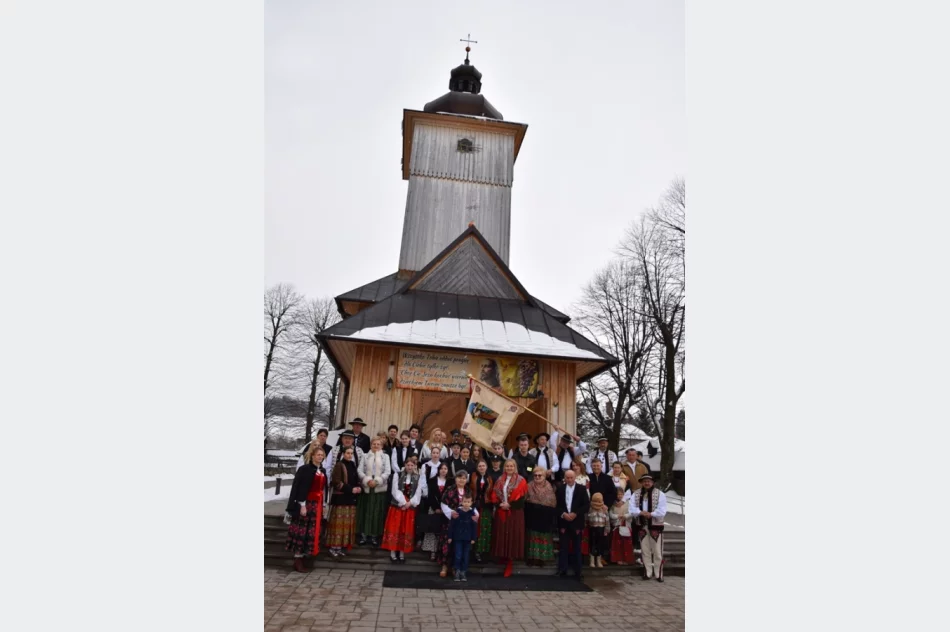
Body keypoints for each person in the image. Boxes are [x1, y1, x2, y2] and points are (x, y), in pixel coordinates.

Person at [285, 445, 328, 572]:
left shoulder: (323, 471)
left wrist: (324, 504)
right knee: (302, 531)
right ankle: (297, 559)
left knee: (312, 530)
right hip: (306, 503)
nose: (320, 457)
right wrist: (302, 505)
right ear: (312, 456)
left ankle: (304, 556)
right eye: (318, 455)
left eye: (322, 455)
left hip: (317, 504)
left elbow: (323, 489)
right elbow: (299, 488)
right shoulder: (305, 469)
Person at [490, 458, 528, 577]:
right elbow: (494, 494)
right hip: (502, 510)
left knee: (512, 535)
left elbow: (523, 499)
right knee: (502, 534)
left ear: (515, 467)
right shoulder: (500, 480)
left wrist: (510, 505)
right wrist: (499, 504)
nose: (509, 468)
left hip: (515, 512)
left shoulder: (521, 480)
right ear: (504, 467)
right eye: (507, 466)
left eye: (511, 466)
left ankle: (510, 561)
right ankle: (503, 555)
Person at [381, 456, 424, 563]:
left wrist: (410, 503)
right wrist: (404, 502)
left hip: (409, 508)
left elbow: (418, 492)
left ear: (414, 466)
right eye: (408, 465)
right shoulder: (398, 474)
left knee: (405, 530)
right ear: (404, 465)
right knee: (395, 529)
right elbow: (395, 490)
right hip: (397, 507)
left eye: (412, 465)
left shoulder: (418, 477)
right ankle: (392, 553)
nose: (409, 467)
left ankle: (401, 553)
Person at [441, 470, 479, 579]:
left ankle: (457, 569)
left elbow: (473, 504)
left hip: (465, 524)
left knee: (461, 550)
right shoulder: (450, 489)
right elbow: (443, 503)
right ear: (455, 478)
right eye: (459, 477)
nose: (461, 480)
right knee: (448, 544)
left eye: (463, 478)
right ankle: (445, 566)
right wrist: (451, 513)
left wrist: (475, 515)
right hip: (452, 522)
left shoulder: (468, 490)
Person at [630, 474, 668, 582]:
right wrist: (640, 512)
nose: (647, 483)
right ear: (641, 482)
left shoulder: (660, 494)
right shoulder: (636, 494)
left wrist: (651, 514)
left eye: (649, 481)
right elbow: (631, 508)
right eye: (644, 481)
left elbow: (662, 510)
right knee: (645, 550)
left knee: (657, 551)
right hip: (642, 525)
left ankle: (658, 574)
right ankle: (647, 572)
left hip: (655, 525)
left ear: (652, 482)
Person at [555, 468, 590, 580]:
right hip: (564, 521)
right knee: (563, 548)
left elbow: (586, 505)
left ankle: (578, 571)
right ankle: (562, 570)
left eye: (571, 477)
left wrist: (576, 513)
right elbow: (556, 505)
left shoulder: (581, 489)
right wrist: (563, 514)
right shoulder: (560, 489)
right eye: (567, 477)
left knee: (577, 548)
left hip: (577, 522)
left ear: (575, 478)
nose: (569, 479)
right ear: (564, 478)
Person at [356, 437, 391, 547]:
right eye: (374, 444)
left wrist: (377, 481)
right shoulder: (365, 456)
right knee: (365, 512)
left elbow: (387, 471)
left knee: (377, 512)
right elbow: (360, 470)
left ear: (381, 446)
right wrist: (367, 480)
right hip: (367, 489)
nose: (376, 446)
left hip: (379, 489)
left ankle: (374, 536)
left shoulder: (385, 457)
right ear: (371, 445)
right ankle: (364, 535)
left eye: (378, 444)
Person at [327, 446, 361, 558]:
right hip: (340, 500)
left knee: (346, 525)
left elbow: (356, 479)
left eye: (351, 453)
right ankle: (333, 547)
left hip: (350, 500)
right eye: (347, 453)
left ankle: (341, 546)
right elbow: (336, 482)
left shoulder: (352, 465)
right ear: (343, 454)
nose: (350, 455)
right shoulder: (339, 465)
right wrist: (350, 489)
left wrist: (358, 487)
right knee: (338, 525)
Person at [524, 467, 558, 567]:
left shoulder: (549, 487)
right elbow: (525, 499)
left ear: (544, 476)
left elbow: (552, 502)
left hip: (545, 517)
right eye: (535, 475)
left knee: (543, 537)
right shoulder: (529, 486)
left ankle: (542, 558)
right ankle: (531, 558)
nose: (537, 477)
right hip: (532, 515)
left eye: (540, 475)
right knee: (532, 537)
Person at [420, 462, 450, 563]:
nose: (443, 470)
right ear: (438, 470)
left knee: (442, 531)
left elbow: (450, 496)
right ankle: (432, 551)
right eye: (441, 468)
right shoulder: (432, 481)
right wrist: (436, 507)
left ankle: (440, 551)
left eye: (445, 469)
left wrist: (444, 508)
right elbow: (430, 496)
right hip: (434, 509)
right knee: (433, 530)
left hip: (445, 510)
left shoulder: (450, 482)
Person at [448, 495, 477, 582]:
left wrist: (473, 538)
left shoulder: (472, 514)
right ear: (461, 502)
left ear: (471, 503)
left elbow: (474, 527)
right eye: (465, 502)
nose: (466, 504)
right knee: (458, 555)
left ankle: (463, 572)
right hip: (458, 537)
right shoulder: (457, 512)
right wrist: (450, 536)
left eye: (468, 502)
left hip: (467, 539)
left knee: (465, 556)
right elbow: (452, 526)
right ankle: (457, 571)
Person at [470, 459, 494, 563]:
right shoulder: (473, 476)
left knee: (485, 529)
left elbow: (491, 492)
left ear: (486, 467)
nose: (481, 468)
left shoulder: (489, 478)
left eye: (483, 466)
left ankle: (484, 551)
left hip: (486, 506)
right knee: (475, 528)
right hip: (475, 505)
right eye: (479, 466)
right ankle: (474, 551)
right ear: (477, 467)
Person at [609, 486, 635, 565]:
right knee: (617, 545)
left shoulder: (628, 503)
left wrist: (625, 516)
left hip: (626, 525)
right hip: (617, 526)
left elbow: (632, 512)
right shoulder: (613, 504)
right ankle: (618, 559)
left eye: (621, 494)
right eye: (618, 494)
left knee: (626, 544)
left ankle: (626, 559)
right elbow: (610, 514)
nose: (619, 496)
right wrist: (617, 516)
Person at [586, 492, 611, 569]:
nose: (597, 503)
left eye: (599, 501)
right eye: (595, 501)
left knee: (600, 544)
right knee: (592, 544)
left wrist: (607, 529)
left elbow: (607, 519)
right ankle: (592, 560)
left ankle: (599, 560)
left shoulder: (604, 508)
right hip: (593, 528)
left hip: (601, 528)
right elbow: (586, 518)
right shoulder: (590, 508)